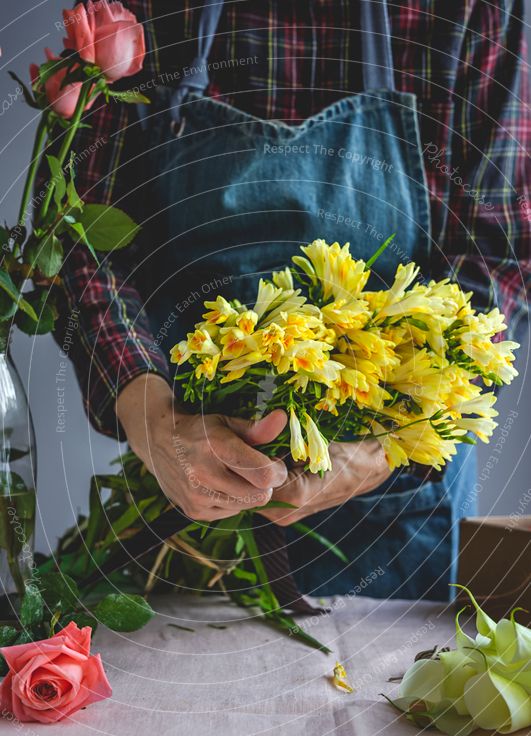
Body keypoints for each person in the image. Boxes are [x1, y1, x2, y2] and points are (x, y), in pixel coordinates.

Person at [53, 1, 530, 600]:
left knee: (392, 688)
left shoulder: (469, 10)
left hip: (397, 497)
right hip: (181, 481)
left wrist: (384, 443)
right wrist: (153, 417)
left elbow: (503, 254)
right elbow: (78, 236)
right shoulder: (134, 12)